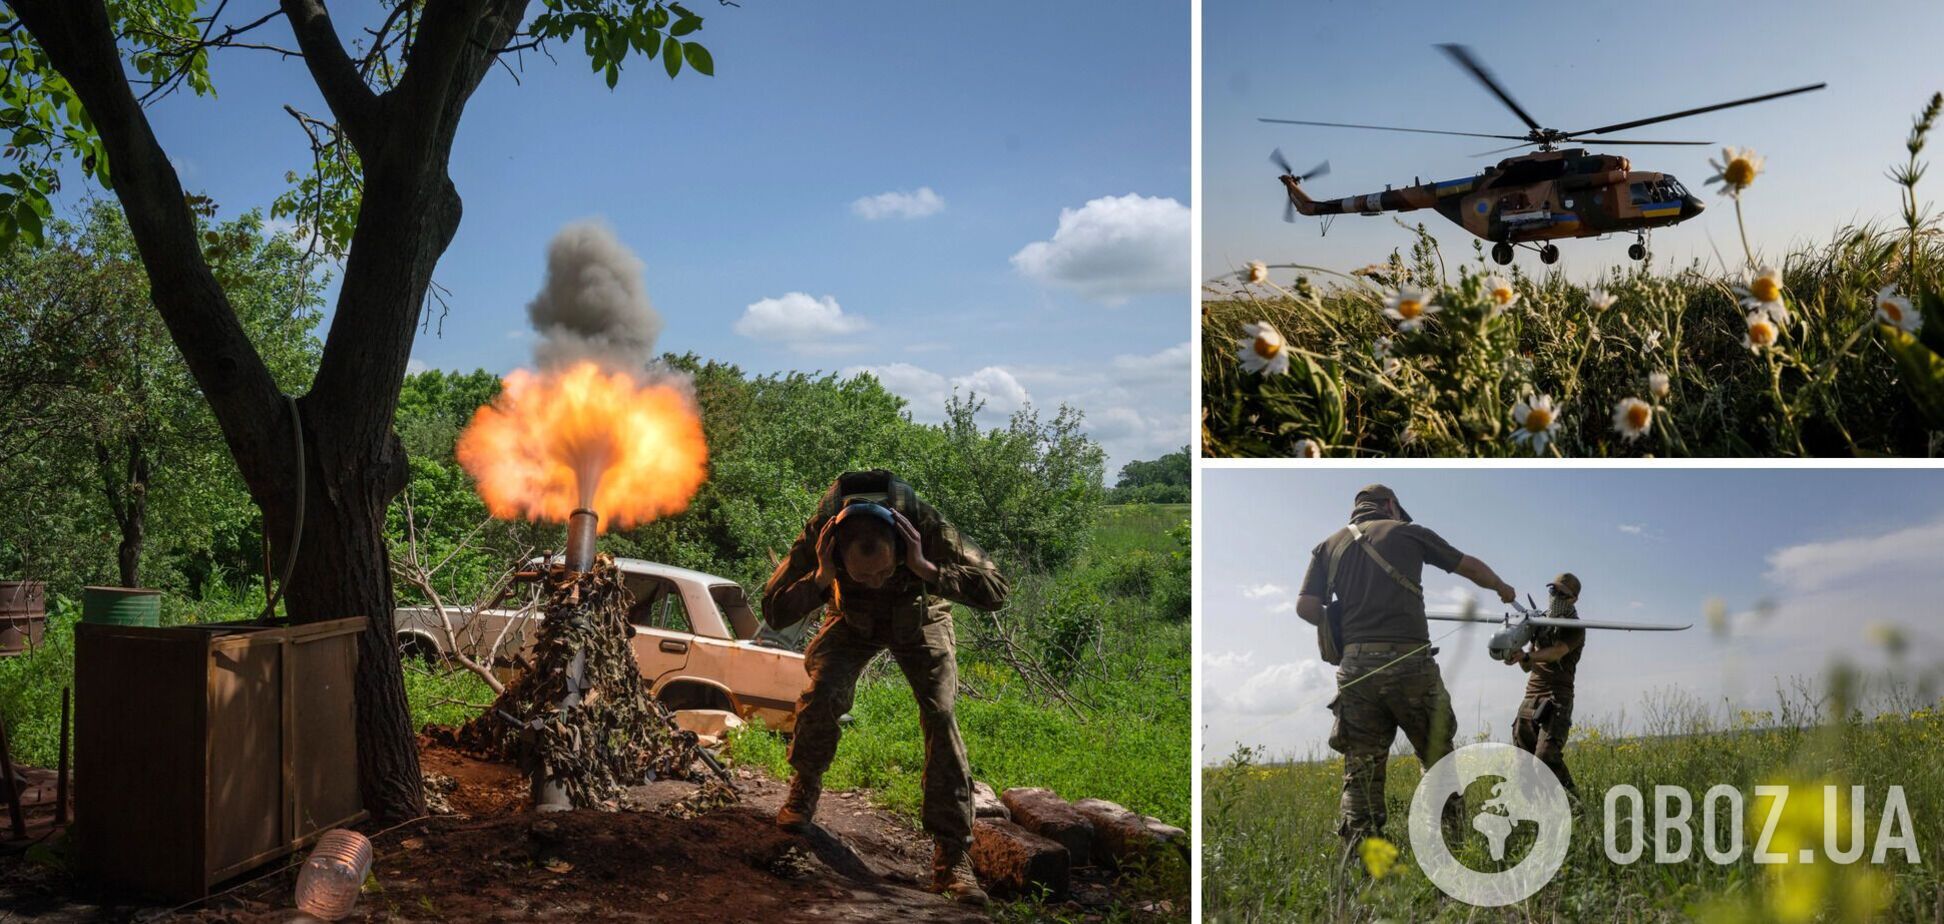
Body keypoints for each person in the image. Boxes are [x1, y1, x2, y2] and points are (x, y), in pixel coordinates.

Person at [762, 470, 1009, 906]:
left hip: (919, 616)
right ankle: (805, 786)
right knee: (822, 694)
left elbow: (996, 588)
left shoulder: (925, 525)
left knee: (941, 714)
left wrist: (925, 569)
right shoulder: (822, 531)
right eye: (863, 576)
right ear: (837, 553)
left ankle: (952, 858)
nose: (874, 582)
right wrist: (822, 578)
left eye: (882, 574)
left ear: (901, 543)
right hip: (849, 619)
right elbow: (774, 609)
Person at [1295, 484, 1518, 850]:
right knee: (1437, 757)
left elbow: (1305, 608)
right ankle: (1451, 845)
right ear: (1390, 505)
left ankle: (1360, 855)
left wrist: (1340, 621)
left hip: (1356, 669)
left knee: (1361, 769)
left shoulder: (1327, 547)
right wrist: (1501, 587)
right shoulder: (1408, 532)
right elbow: (1468, 566)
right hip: (1409, 663)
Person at [1506, 573, 1585, 796]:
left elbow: (1558, 651)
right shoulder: (1541, 624)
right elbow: (1526, 666)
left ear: (1574, 599)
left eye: (1562, 593)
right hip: (1531, 695)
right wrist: (1518, 655)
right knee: (1523, 760)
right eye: (1553, 591)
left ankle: (1575, 808)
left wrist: (1529, 657)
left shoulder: (1575, 627)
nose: (1555, 596)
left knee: (1545, 757)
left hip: (1556, 697)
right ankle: (1532, 813)